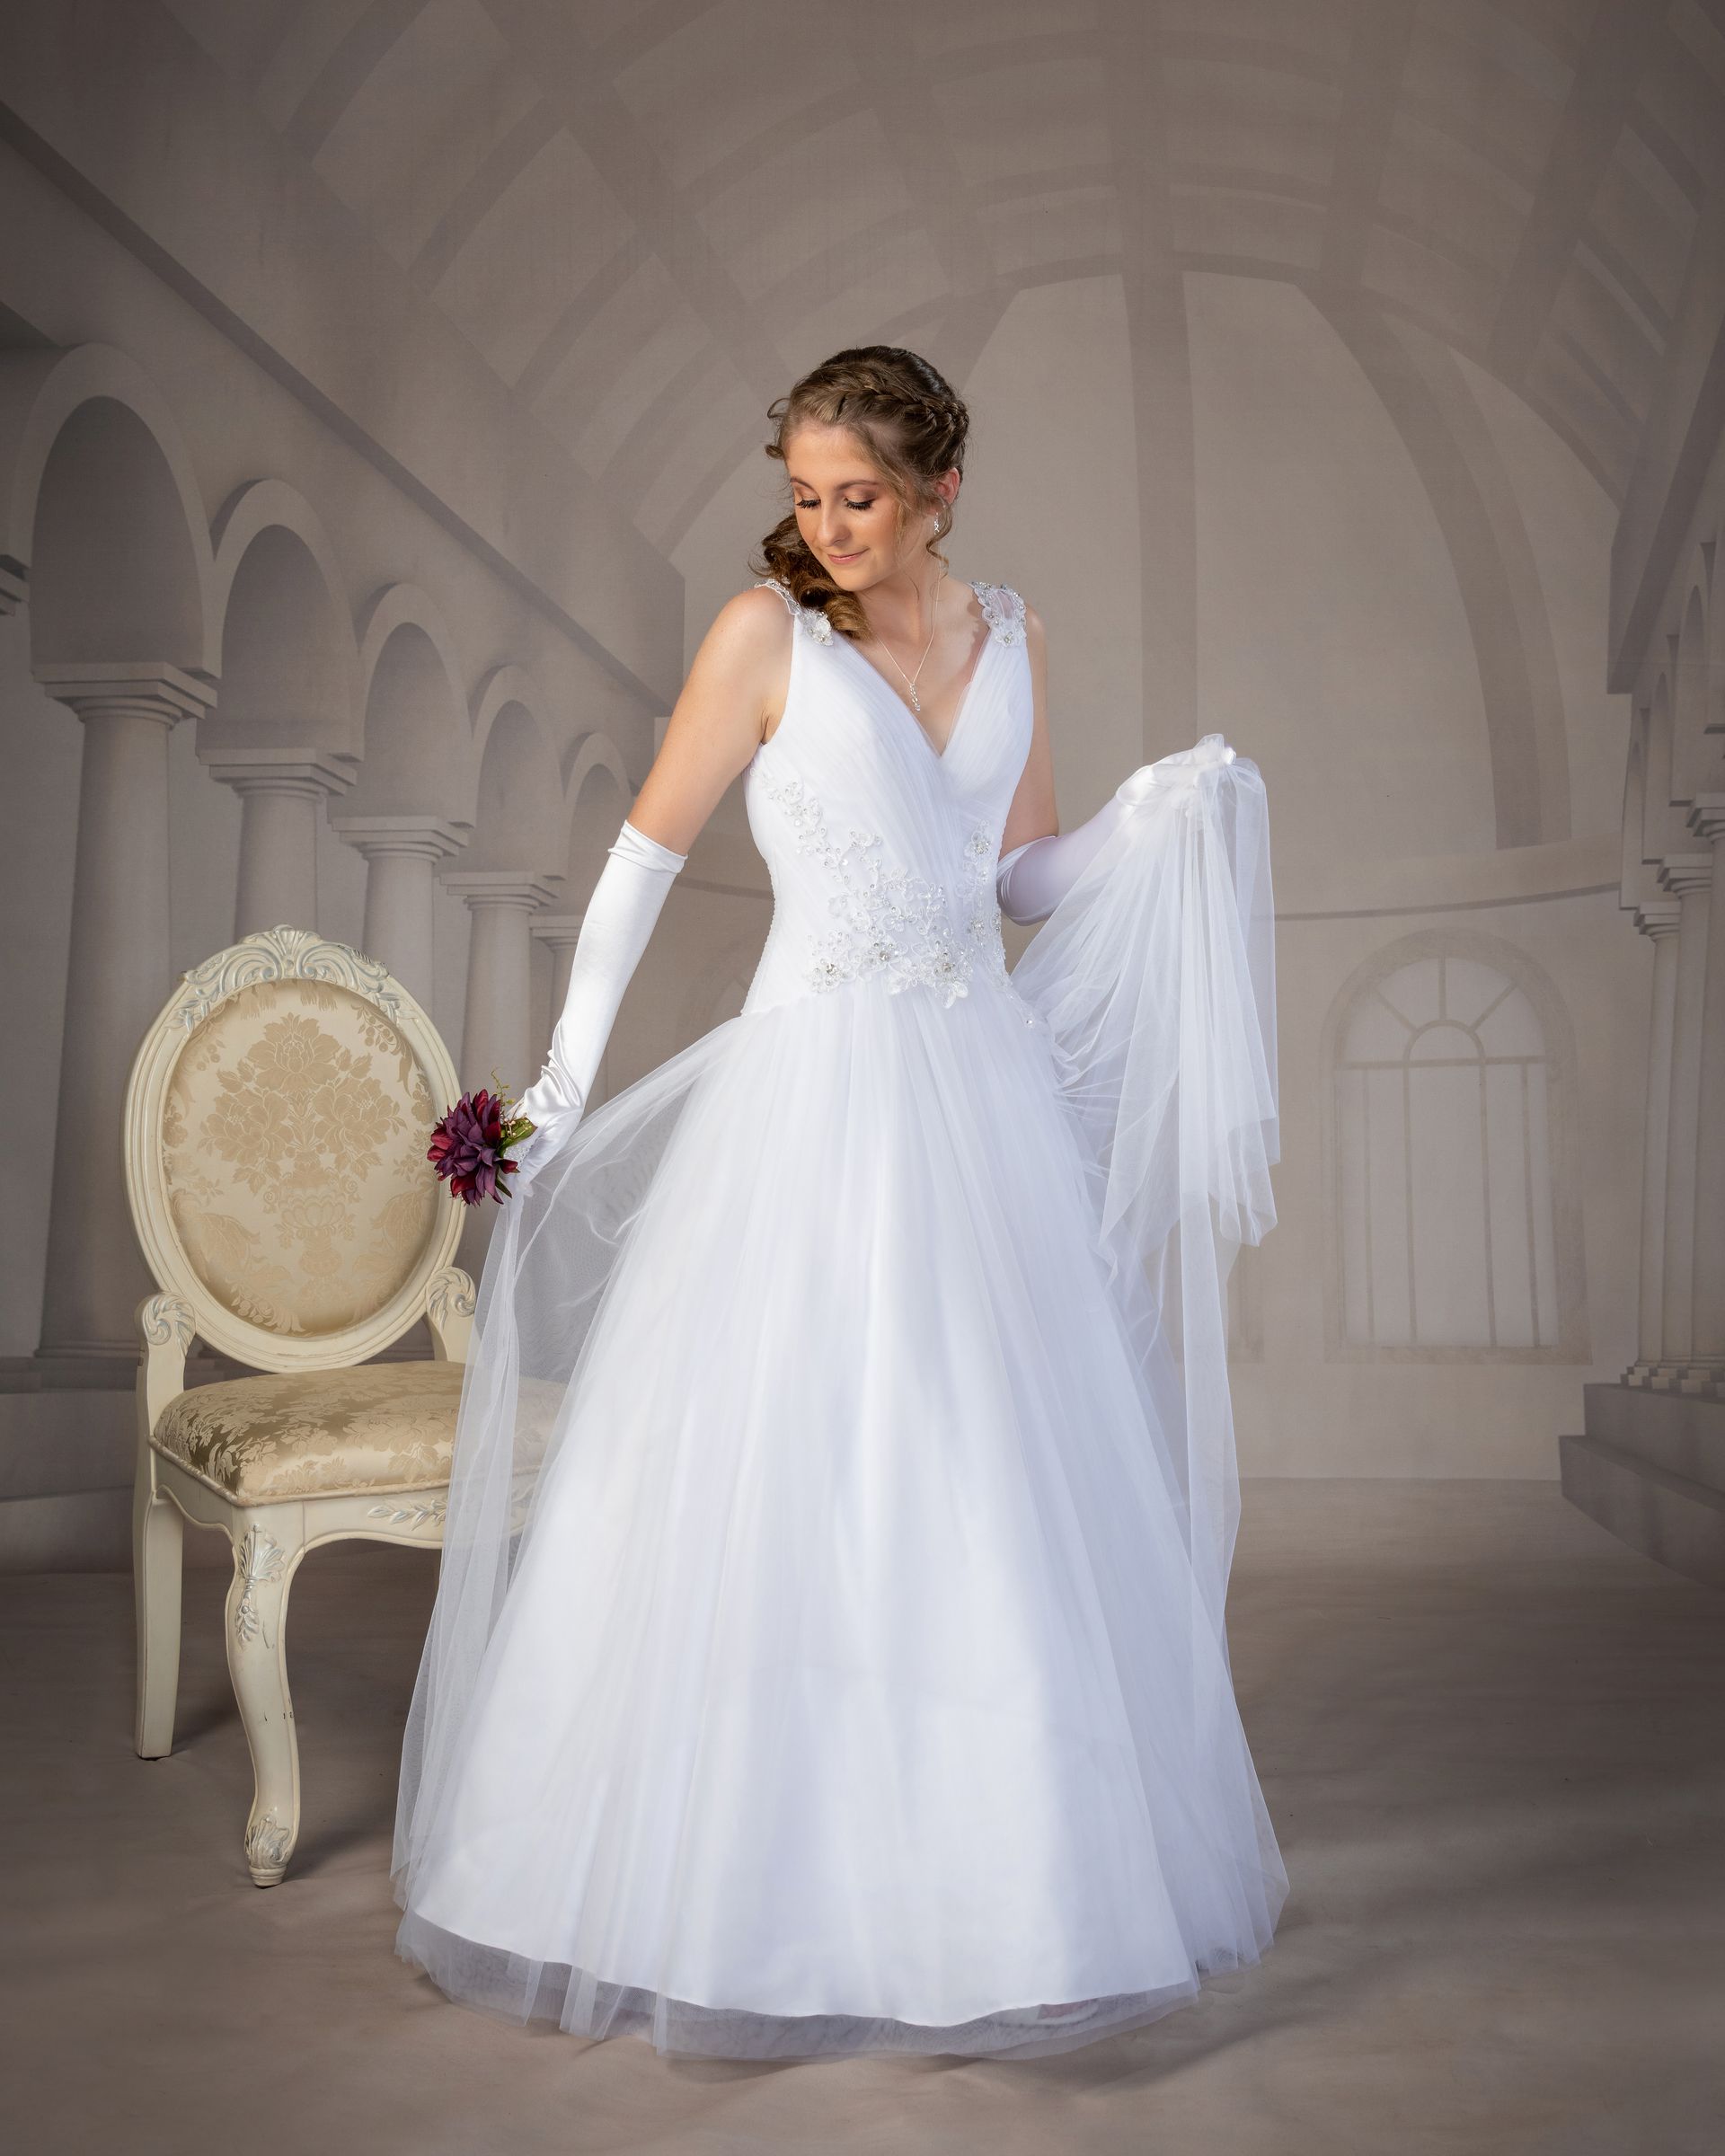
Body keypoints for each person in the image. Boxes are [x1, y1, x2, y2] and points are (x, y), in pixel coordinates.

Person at [391, 345, 1285, 2062]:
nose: (826, 527)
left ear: (942, 488)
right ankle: (736, 1881)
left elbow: (1011, 880)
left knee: (974, 1480)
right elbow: (645, 856)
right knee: (787, 1466)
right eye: (804, 496)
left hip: (980, 1103)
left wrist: (1147, 820)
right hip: (811, 1102)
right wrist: (563, 1091)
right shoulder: (763, 639)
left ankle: (987, 1890)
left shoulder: (1011, 635)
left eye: (857, 497)